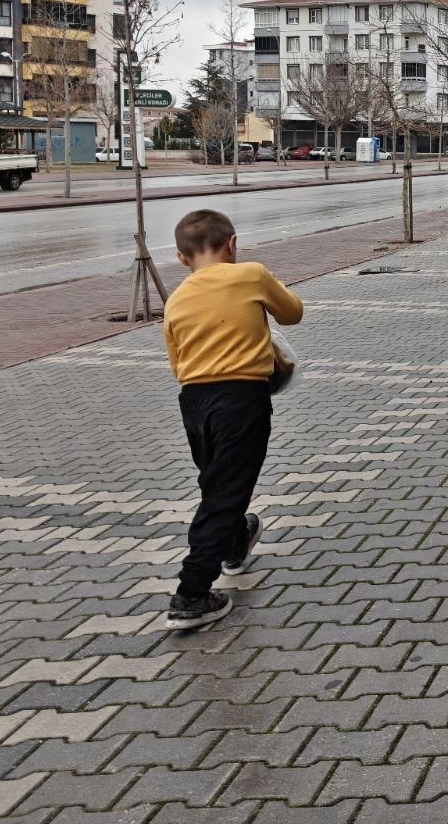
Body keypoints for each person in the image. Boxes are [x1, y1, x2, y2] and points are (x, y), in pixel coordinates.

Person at [160, 209, 303, 629]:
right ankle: (191, 595)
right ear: (233, 244)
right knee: (223, 494)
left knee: (217, 481)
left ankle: (236, 539)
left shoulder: (177, 298)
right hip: (242, 400)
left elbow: (176, 362)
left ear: (182, 259)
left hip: (194, 402)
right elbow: (292, 312)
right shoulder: (252, 275)